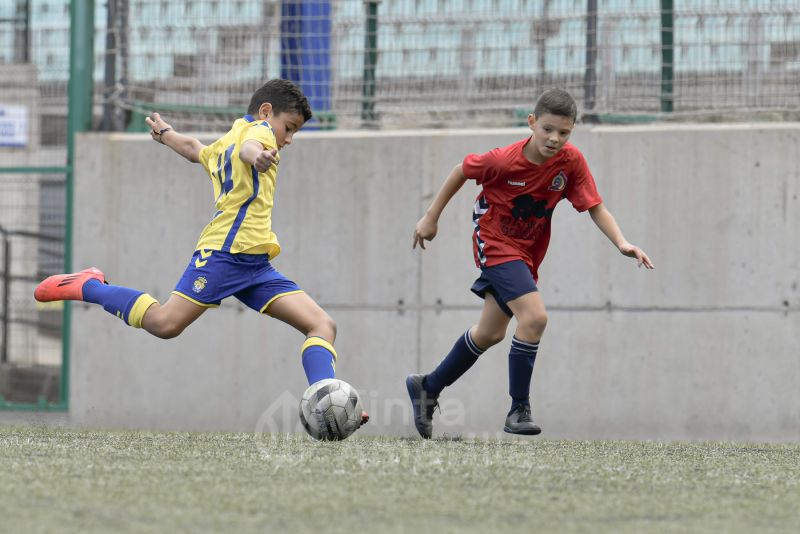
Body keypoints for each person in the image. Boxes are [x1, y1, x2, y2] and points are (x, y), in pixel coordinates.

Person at [35, 79, 367, 427]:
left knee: (321, 324)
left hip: (255, 265)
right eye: (289, 128)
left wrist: (165, 134)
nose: (287, 140)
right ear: (267, 112)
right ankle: (89, 285)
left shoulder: (228, 139)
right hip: (223, 255)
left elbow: (196, 150)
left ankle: (328, 404)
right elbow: (250, 149)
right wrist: (260, 156)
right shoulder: (258, 133)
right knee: (165, 324)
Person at [407, 88, 653, 438]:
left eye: (564, 132)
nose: (554, 139)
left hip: (526, 251)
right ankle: (518, 409)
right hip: (494, 241)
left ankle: (427, 387)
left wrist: (622, 242)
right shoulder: (503, 160)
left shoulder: (570, 162)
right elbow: (461, 169)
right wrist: (431, 217)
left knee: (490, 333)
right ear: (532, 123)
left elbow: (595, 206)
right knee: (535, 317)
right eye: (548, 129)